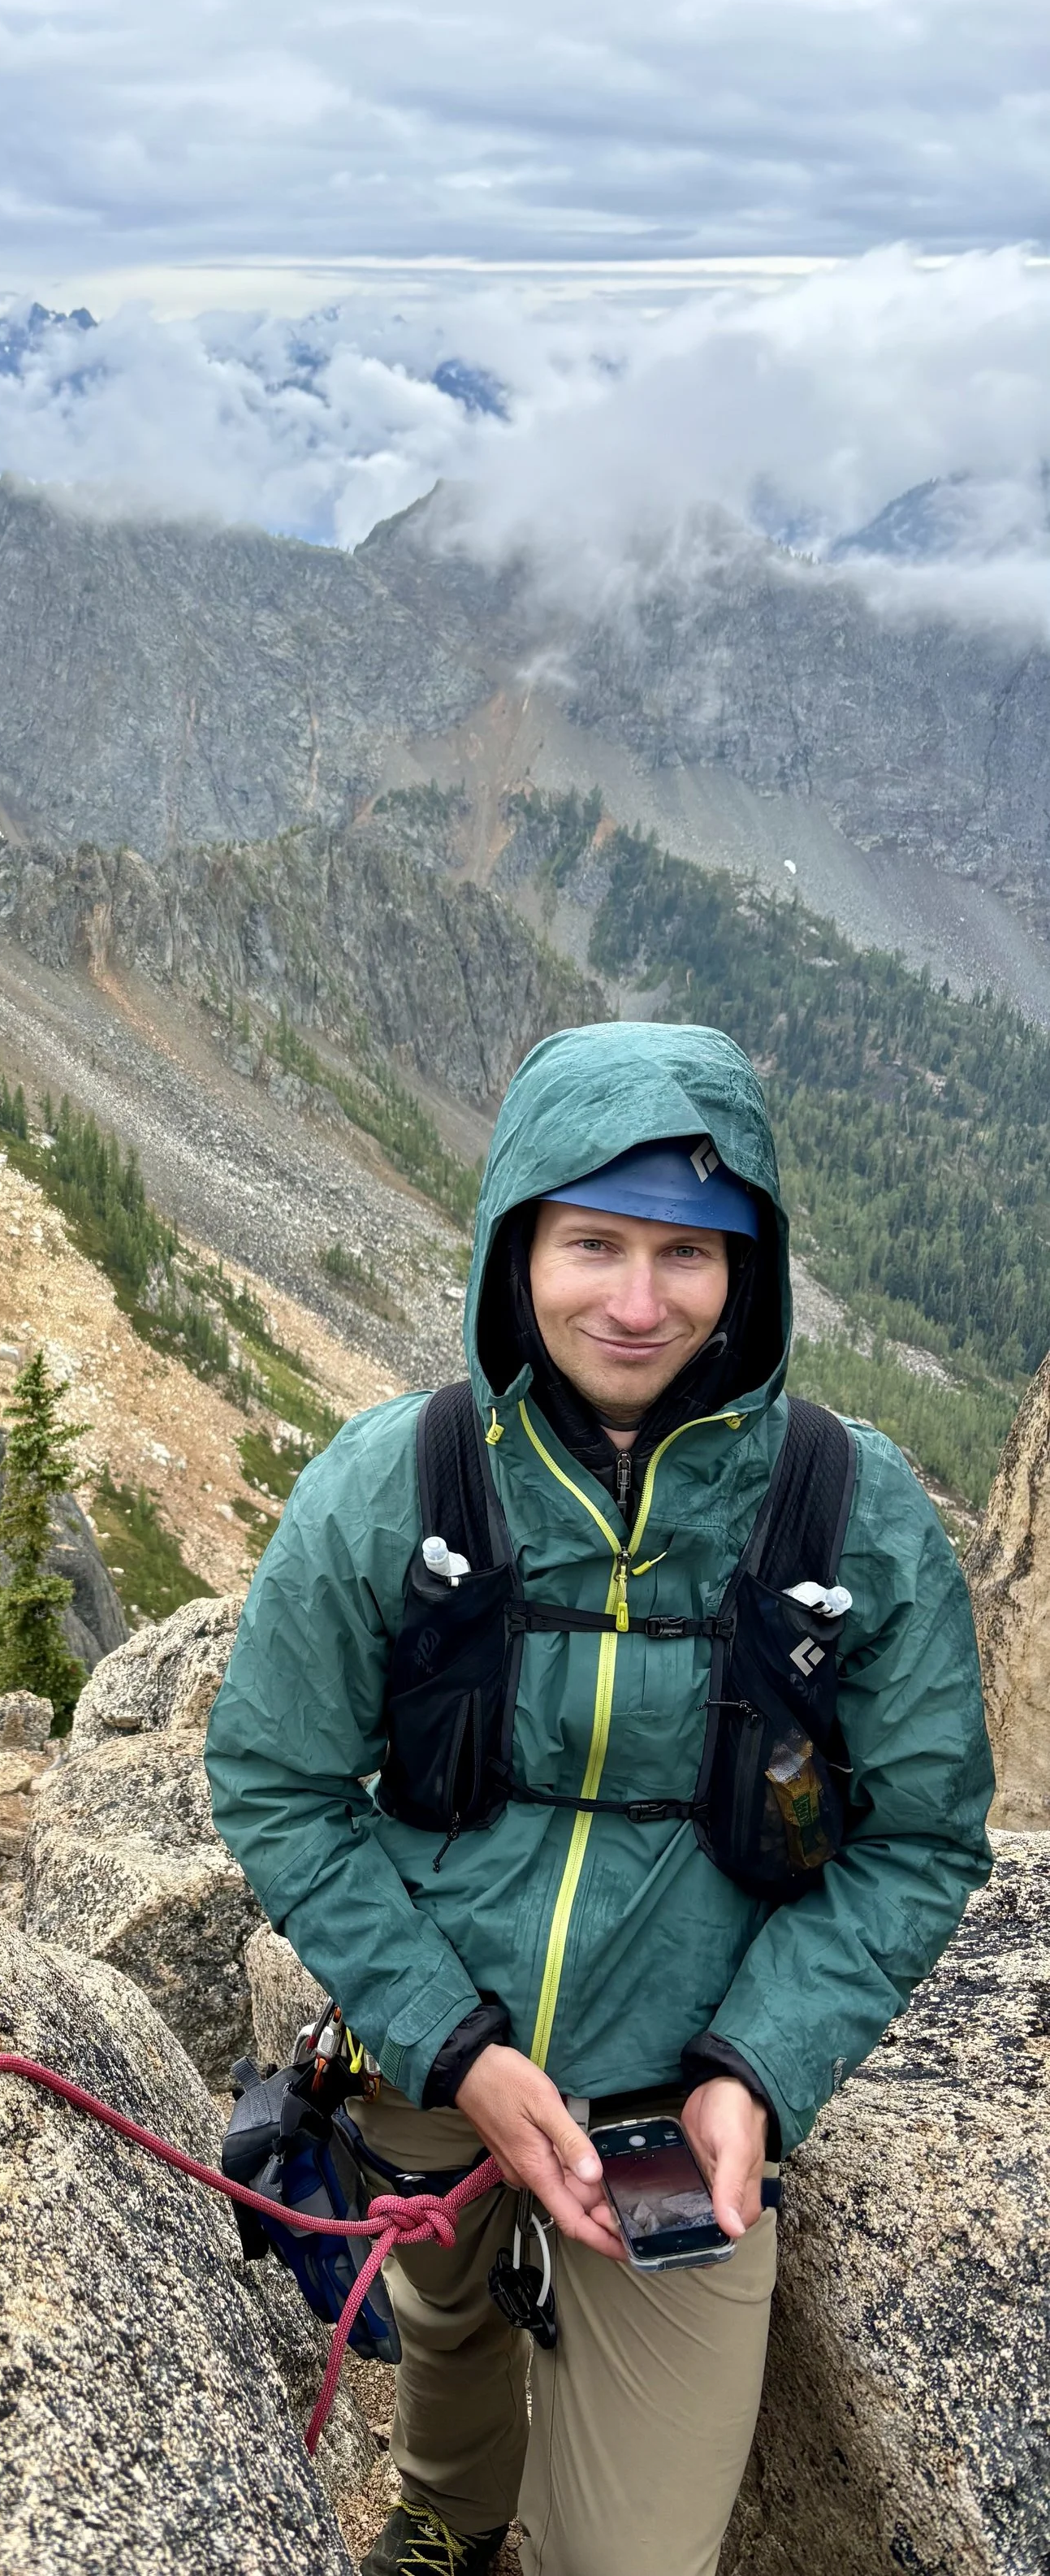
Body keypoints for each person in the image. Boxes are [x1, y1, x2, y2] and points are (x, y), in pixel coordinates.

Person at [205, 1022, 994, 2576]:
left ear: (747, 1271)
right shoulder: (396, 1484)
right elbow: (277, 1781)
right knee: (443, 2327)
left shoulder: (853, 1514)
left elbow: (916, 1840)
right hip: (428, 2063)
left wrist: (759, 2071)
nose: (638, 1304)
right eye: (593, 1246)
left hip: (675, 2109)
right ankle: (447, 2507)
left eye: (688, 1255)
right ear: (518, 1247)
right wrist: (452, 2045)